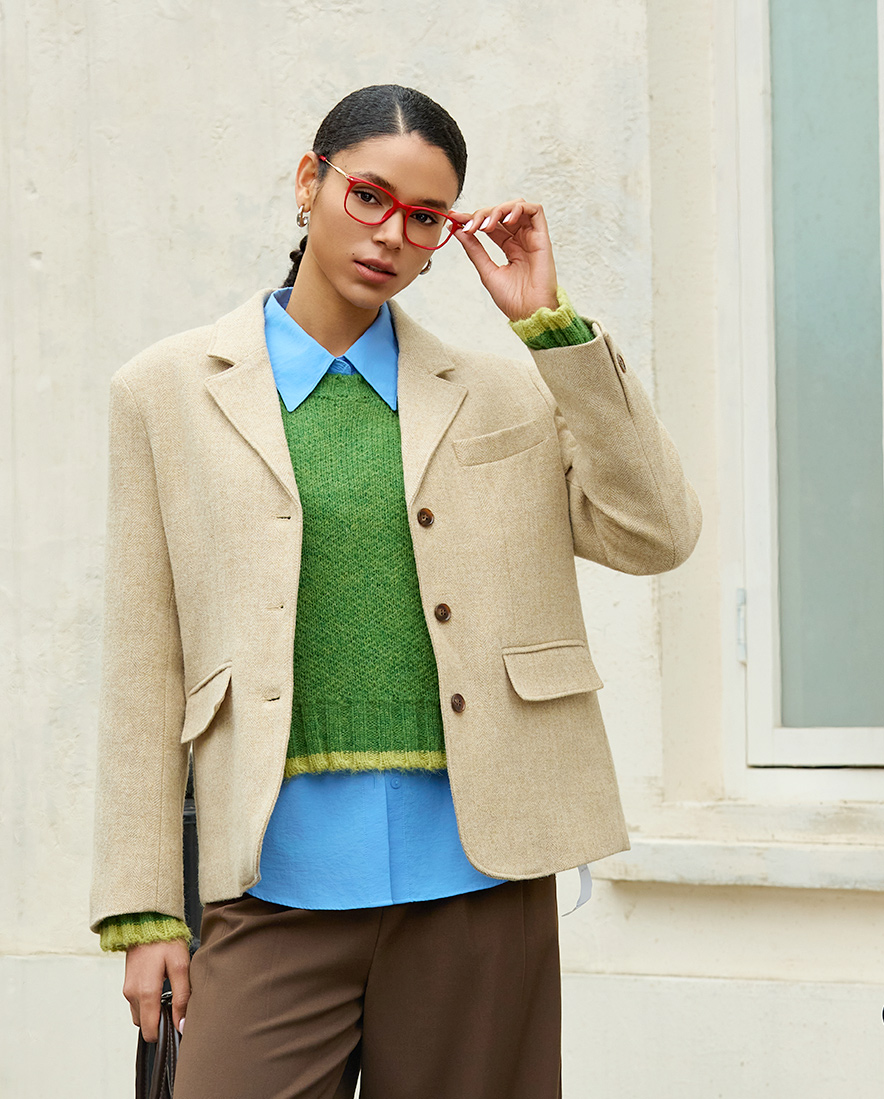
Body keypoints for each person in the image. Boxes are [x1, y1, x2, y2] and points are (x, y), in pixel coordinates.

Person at [90, 84, 701, 1099]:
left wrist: (550, 329)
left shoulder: (506, 390)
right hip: (272, 883)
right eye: (368, 197)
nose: (388, 236)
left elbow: (655, 532)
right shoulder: (164, 391)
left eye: (424, 218)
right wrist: (143, 907)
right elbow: (142, 656)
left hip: (478, 879)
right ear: (309, 182)